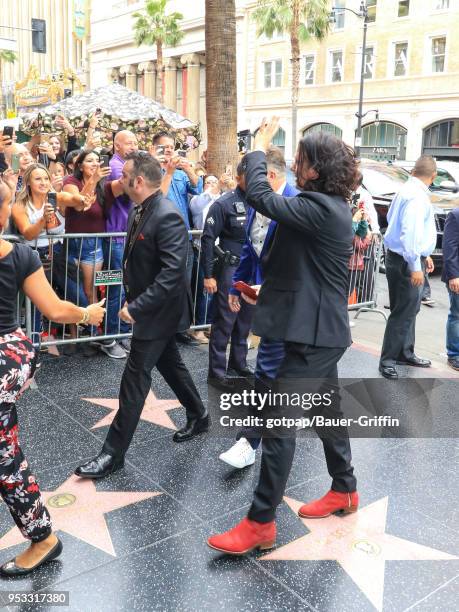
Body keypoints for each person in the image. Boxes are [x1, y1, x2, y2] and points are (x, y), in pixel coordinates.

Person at [208, 119, 359, 555]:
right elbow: (306, 273)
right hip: (313, 331)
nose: (294, 161)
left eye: (302, 158)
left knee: (277, 425)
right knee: (328, 414)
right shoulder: (320, 205)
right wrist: (263, 290)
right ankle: (345, 490)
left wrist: (257, 148)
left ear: (316, 168)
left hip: (313, 338)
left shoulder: (323, 208)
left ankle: (260, 522)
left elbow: (259, 194)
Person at [75, 152, 209, 480]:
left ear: (137, 181)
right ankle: (200, 414)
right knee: (171, 365)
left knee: (134, 379)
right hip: (151, 309)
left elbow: (173, 273)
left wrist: (136, 307)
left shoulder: (168, 215)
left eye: (124, 177)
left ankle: (112, 453)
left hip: (158, 313)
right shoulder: (140, 209)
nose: (119, 182)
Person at [0, 187, 105, 575]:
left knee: (6, 459)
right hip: (12, 359)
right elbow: (57, 310)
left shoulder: (21, 255)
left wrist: (85, 314)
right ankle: (42, 535)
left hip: (4, 363)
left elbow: (58, 308)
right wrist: (87, 313)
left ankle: (42, 537)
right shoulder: (22, 254)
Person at [219, 146, 298, 469]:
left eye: (250, 180)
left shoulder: (296, 204)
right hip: (266, 299)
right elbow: (251, 248)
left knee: (278, 373)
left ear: (270, 177)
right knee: (269, 372)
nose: (243, 187)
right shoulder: (256, 205)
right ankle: (250, 440)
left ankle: (252, 439)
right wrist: (237, 285)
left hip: (292, 302)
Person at [11, 164, 93, 337]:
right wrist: (43, 220)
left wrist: (82, 200)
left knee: (75, 292)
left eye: (46, 178)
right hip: (34, 255)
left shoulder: (56, 196)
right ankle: (34, 343)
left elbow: (74, 199)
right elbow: (28, 233)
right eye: (38, 179)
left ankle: (86, 329)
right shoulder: (20, 205)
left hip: (57, 251)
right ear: (28, 183)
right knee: (38, 301)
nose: (43, 182)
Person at [63, 149, 126, 359]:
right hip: (72, 243)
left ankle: (90, 335)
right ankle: (75, 335)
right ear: (79, 165)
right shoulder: (71, 181)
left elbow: (128, 182)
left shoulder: (105, 186)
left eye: (97, 161)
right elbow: (81, 204)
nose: (95, 164)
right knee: (73, 292)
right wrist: (93, 179)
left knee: (89, 292)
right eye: (89, 161)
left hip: (93, 245)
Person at [379, 155, 437, 380]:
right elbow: (409, 233)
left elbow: (399, 225)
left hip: (402, 257)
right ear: (432, 177)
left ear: (414, 171)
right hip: (406, 260)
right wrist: (415, 265)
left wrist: (425, 255)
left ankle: (404, 352)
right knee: (403, 312)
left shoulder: (407, 190)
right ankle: (388, 360)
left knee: (407, 309)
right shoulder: (416, 197)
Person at [201, 163, 254, 388]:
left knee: (245, 319)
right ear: (240, 177)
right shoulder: (224, 203)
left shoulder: (261, 200)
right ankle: (217, 373)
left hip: (252, 269)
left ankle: (239, 363)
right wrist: (208, 275)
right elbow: (207, 239)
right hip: (230, 269)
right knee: (225, 321)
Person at [153, 131, 203, 346]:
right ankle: (161, 329)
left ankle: (181, 329)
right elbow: (157, 198)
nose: (169, 151)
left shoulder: (182, 171)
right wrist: (168, 171)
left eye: (172, 147)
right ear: (155, 149)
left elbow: (197, 188)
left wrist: (188, 168)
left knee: (184, 283)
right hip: (161, 236)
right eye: (164, 147)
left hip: (184, 235)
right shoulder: (151, 170)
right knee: (163, 283)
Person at [104, 130, 139, 354]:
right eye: (129, 142)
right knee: (116, 289)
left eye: (136, 142)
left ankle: (123, 331)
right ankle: (109, 337)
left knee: (129, 287)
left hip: (127, 236)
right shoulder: (117, 166)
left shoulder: (130, 164)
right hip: (115, 236)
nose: (134, 146)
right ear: (117, 145)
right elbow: (133, 190)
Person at [189, 175, 221, 343]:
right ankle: (198, 327)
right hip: (201, 248)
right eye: (208, 182)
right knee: (202, 290)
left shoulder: (221, 199)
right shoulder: (197, 199)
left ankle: (209, 323)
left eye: (214, 182)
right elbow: (198, 208)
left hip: (218, 249)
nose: (211, 185)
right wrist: (208, 191)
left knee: (214, 291)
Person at [442, 207, 459, 371]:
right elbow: (450, 247)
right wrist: (454, 275)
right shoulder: (455, 215)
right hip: (457, 275)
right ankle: (454, 354)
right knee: (457, 314)